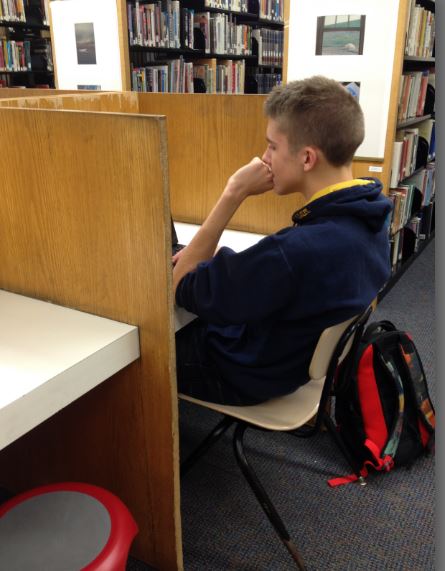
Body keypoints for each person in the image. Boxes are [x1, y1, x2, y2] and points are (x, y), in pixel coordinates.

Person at [173, 75, 392, 406]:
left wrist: (234, 191)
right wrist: (229, 262)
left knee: (146, 344)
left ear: (307, 158)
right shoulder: (372, 215)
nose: (264, 158)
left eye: (272, 146)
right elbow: (282, 275)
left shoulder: (295, 252)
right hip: (289, 366)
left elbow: (182, 283)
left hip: (240, 374)